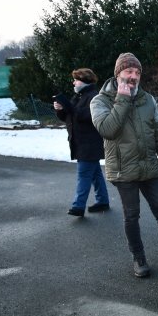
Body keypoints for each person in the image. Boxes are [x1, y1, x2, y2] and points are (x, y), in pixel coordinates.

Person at [90, 53, 158, 279]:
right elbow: (108, 129)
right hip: (123, 171)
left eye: (137, 72)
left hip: (149, 168)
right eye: (129, 72)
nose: (134, 76)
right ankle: (139, 259)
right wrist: (123, 98)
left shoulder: (148, 100)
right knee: (131, 216)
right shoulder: (100, 101)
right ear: (118, 75)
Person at [54, 68, 110, 217]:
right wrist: (60, 110)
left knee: (84, 174)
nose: (73, 82)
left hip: (90, 143)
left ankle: (78, 206)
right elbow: (70, 118)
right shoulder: (78, 96)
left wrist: (69, 107)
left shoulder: (94, 97)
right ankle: (103, 201)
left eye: (76, 80)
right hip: (81, 143)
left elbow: (87, 116)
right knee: (95, 174)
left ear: (84, 81)